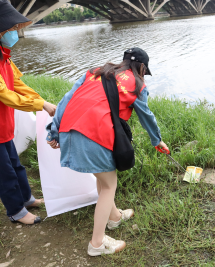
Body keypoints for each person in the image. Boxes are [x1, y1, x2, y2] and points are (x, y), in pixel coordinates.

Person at [46, 47, 169, 256]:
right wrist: (157, 140)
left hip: (70, 130)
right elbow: (146, 115)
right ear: (141, 68)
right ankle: (97, 244)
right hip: (94, 135)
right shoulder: (136, 84)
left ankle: (114, 217)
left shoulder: (95, 71)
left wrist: (54, 131)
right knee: (110, 184)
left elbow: (66, 100)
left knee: (103, 178)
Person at [0, 0, 57, 225]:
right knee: (3, 171)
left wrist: (41, 100)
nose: (15, 32)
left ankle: (26, 199)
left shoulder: (1, 52)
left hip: (1, 123)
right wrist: (39, 106)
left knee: (15, 164)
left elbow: (16, 84)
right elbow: (3, 94)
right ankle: (16, 211)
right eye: (12, 28)